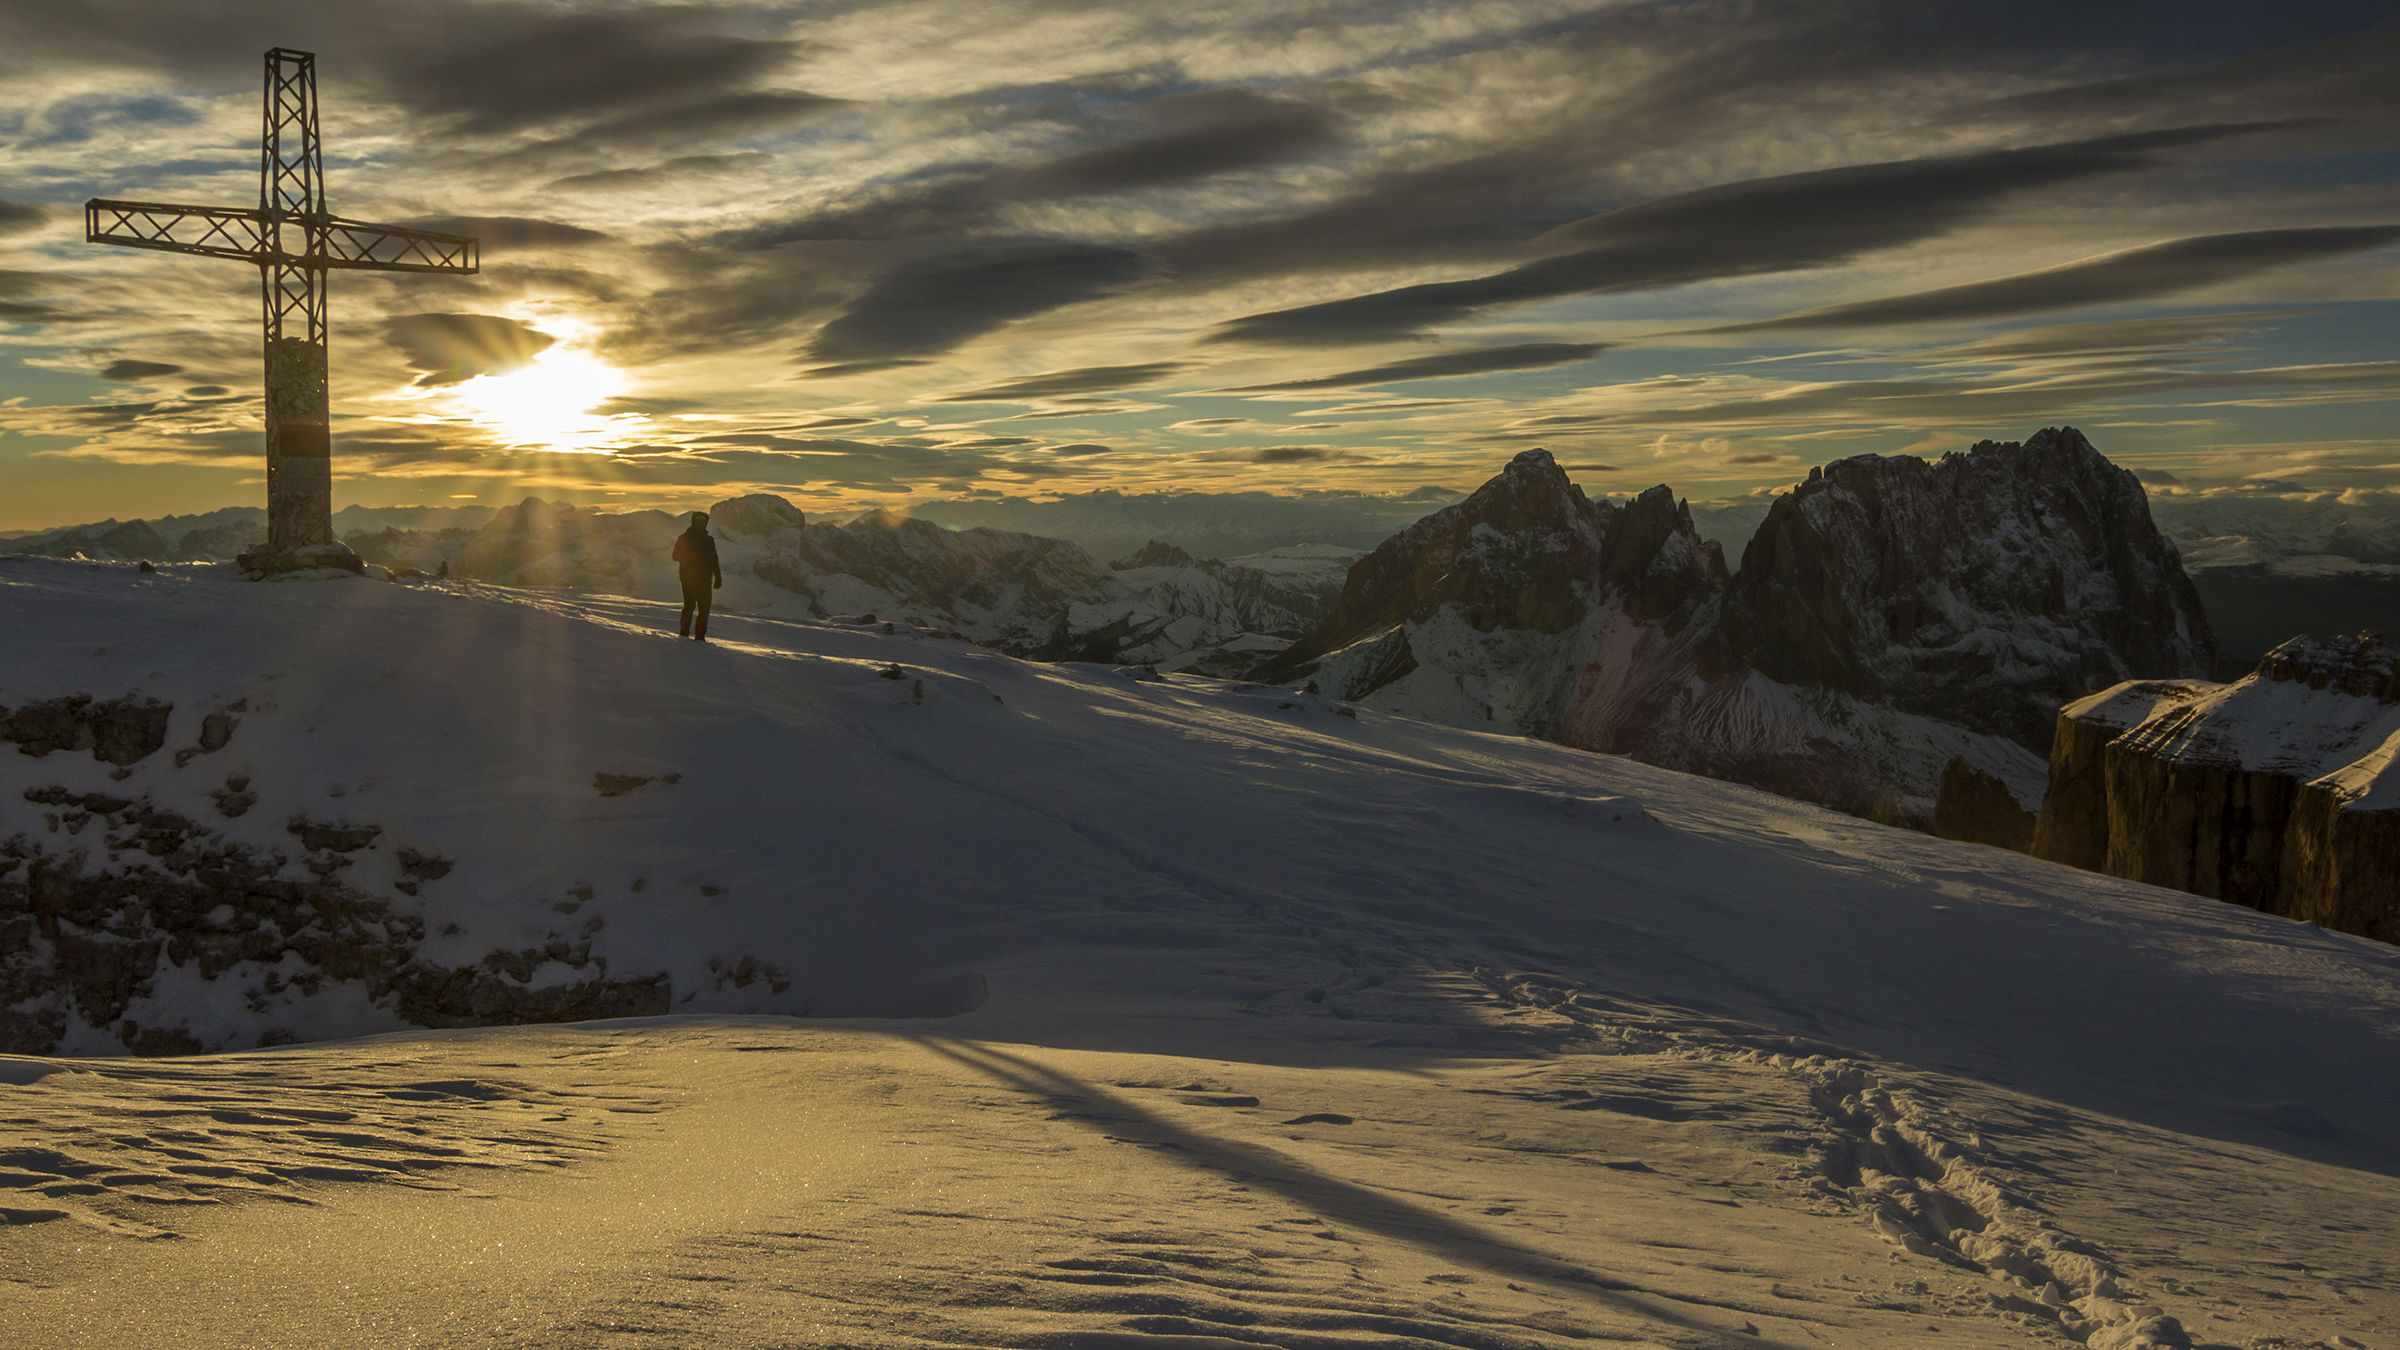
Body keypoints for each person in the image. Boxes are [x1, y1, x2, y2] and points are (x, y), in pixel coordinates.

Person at [672, 511, 722, 640]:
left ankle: (700, 636)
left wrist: (718, 576)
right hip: (688, 578)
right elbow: (675, 556)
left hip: (705, 579)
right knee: (689, 606)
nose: (700, 523)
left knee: (704, 609)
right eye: (698, 520)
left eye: (703, 521)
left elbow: (714, 559)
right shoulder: (684, 538)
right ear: (693, 522)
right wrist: (691, 557)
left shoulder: (709, 540)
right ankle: (684, 633)